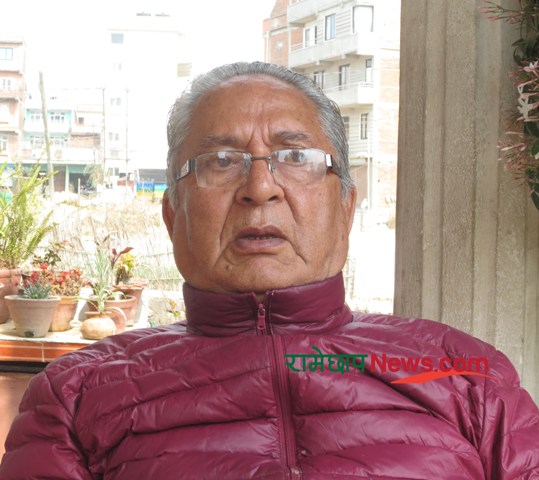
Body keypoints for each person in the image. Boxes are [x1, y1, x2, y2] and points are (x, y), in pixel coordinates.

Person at [1, 61, 538, 479]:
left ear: (346, 209)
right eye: (221, 161)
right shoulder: (76, 395)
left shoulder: (467, 375)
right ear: (172, 215)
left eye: (296, 157)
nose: (260, 189)